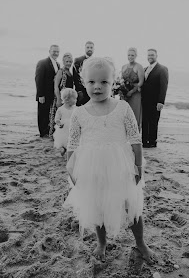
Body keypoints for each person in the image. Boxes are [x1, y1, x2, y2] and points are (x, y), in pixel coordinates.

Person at [63, 57, 155, 264]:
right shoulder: (79, 113)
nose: (97, 87)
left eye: (104, 82)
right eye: (92, 82)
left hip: (120, 167)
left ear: (112, 82)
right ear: (83, 83)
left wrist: (138, 165)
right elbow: (72, 145)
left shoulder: (122, 107)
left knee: (131, 205)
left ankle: (140, 243)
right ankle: (101, 242)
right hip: (91, 168)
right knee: (98, 206)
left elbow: (135, 138)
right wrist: (72, 172)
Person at [141, 49, 168, 148]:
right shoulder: (144, 69)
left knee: (153, 121)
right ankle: (144, 141)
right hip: (144, 101)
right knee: (144, 121)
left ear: (156, 56)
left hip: (155, 101)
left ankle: (152, 141)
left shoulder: (162, 69)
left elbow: (163, 86)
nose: (150, 57)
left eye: (152, 55)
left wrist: (161, 101)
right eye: (148, 55)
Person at [35, 45, 60, 138]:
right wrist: (40, 95)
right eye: (54, 51)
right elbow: (38, 79)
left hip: (52, 94)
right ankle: (42, 133)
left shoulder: (57, 64)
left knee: (50, 113)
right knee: (42, 113)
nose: (56, 53)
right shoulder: (42, 63)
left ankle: (48, 131)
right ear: (49, 51)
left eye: (57, 52)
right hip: (44, 94)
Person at [49, 53, 74, 137]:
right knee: (57, 118)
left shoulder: (70, 72)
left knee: (66, 118)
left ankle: (64, 136)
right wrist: (58, 99)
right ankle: (54, 137)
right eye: (67, 61)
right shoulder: (61, 71)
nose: (69, 63)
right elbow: (56, 87)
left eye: (70, 61)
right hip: (60, 98)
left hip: (68, 99)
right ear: (63, 61)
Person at [121, 47, 144, 130]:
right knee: (124, 115)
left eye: (132, 55)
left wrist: (131, 91)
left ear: (136, 56)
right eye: (129, 55)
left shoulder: (139, 66)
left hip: (135, 94)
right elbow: (121, 81)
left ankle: (135, 134)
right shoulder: (123, 67)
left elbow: (141, 82)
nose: (130, 57)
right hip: (124, 95)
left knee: (134, 114)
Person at [53, 88, 77, 156]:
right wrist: (59, 123)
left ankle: (71, 153)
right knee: (64, 141)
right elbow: (57, 119)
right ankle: (63, 150)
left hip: (73, 127)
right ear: (67, 99)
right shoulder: (61, 109)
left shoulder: (76, 108)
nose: (76, 100)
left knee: (72, 141)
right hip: (64, 128)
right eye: (75, 98)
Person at [72, 41, 94, 106]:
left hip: (93, 91)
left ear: (93, 49)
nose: (89, 49)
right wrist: (79, 91)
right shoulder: (78, 60)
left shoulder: (96, 60)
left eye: (91, 47)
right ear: (85, 48)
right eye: (88, 47)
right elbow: (76, 77)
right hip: (82, 91)